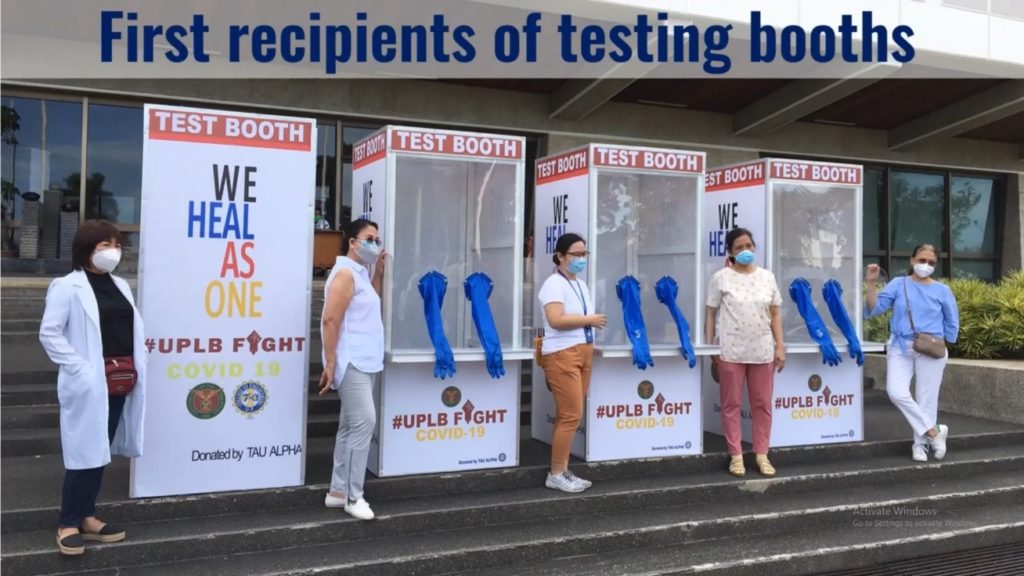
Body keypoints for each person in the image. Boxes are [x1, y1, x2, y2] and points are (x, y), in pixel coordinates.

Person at [38, 219, 146, 556]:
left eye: (116, 245)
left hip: (118, 379)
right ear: (86, 249)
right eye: (104, 246)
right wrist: (81, 368)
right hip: (89, 382)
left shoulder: (121, 286)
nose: (113, 252)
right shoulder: (67, 286)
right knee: (83, 451)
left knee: (100, 450)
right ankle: (68, 522)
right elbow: (49, 333)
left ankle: (87, 515)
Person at [319, 218, 387, 520]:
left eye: (377, 238)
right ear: (352, 241)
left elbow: (365, 306)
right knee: (364, 423)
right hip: (352, 361)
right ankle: (353, 496)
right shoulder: (345, 274)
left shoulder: (359, 275)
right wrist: (331, 362)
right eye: (369, 238)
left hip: (366, 360)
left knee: (349, 426)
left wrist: (379, 275)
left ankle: (337, 490)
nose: (374, 243)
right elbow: (330, 320)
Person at [865, 244, 959, 462]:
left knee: (927, 399)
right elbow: (874, 308)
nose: (925, 265)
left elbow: (952, 321)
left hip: (931, 348)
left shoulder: (942, 290)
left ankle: (920, 445)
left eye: (931, 262)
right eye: (922, 260)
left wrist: (943, 344)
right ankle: (934, 432)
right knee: (896, 392)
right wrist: (871, 283)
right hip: (900, 346)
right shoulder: (899, 284)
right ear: (912, 260)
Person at [704, 228, 785, 478]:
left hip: (762, 350)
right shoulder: (721, 278)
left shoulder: (767, 277)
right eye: (738, 247)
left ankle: (762, 454)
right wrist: (711, 349)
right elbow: (710, 313)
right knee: (731, 405)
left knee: (762, 404)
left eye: (748, 245)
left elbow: (774, 314)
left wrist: (779, 346)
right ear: (730, 251)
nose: (745, 251)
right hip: (730, 350)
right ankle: (736, 456)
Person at [537, 233, 606, 493]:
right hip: (562, 354)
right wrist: (589, 320)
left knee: (570, 415)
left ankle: (563, 469)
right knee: (570, 415)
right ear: (560, 256)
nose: (580, 259)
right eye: (575, 254)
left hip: (582, 352)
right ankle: (556, 472)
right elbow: (555, 319)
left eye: (583, 254)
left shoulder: (580, 284)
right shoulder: (553, 283)